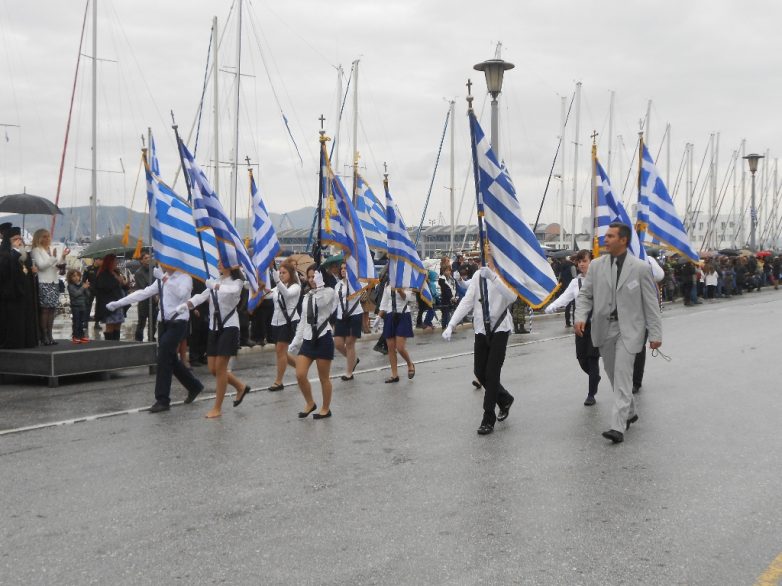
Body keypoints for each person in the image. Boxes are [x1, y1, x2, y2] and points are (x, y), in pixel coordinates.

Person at [574, 223, 663, 444]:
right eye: (606, 235)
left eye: (611, 236)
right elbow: (586, 295)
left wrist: (655, 333)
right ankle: (630, 411)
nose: (606, 239)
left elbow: (651, 304)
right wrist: (580, 316)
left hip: (630, 330)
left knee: (623, 373)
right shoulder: (595, 266)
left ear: (623, 240)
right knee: (614, 374)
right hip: (605, 328)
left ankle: (617, 426)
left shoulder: (641, 268)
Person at [106, 266, 204, 413]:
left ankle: (162, 399)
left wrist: (164, 279)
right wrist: (119, 303)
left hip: (178, 322)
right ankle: (194, 386)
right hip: (163, 323)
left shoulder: (185, 277)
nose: (161, 264)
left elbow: (182, 294)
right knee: (170, 357)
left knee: (163, 356)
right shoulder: (161, 277)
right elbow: (143, 293)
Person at [443, 261, 517, 436]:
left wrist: (493, 277)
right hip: (481, 329)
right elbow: (467, 301)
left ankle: (488, 417)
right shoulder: (477, 276)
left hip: (499, 329)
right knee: (479, 371)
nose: (489, 258)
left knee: (492, 374)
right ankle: (504, 398)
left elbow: (512, 296)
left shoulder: (505, 274)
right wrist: (451, 324)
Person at [177, 262, 252, 418]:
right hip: (214, 327)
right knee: (213, 368)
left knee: (221, 369)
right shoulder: (216, 280)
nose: (218, 265)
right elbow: (202, 296)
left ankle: (217, 408)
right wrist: (186, 305)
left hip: (230, 327)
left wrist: (215, 286)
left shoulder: (236, 282)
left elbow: (232, 290)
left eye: (222, 262)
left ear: (230, 266)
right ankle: (240, 387)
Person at [546, 250, 600, 405]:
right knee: (581, 358)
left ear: (592, 262)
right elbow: (566, 296)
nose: (581, 264)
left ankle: (591, 394)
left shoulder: (599, 279)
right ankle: (594, 377)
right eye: (579, 261)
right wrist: (553, 305)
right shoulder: (576, 282)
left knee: (592, 358)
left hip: (596, 325)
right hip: (580, 325)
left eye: (584, 261)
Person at [288, 266, 337, 419]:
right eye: (309, 277)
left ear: (321, 277)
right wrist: (295, 342)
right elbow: (303, 321)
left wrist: (321, 286)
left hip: (323, 338)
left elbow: (322, 304)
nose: (311, 280)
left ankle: (325, 408)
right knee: (300, 374)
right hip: (309, 340)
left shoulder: (329, 292)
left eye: (314, 276)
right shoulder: (307, 296)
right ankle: (310, 402)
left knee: (324, 378)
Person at [0, 225, 38, 349]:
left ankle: (28, 341)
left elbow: (27, 269)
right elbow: (6, 275)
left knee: (26, 317)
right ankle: (15, 342)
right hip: (14, 292)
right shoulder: (6, 255)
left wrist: (32, 271)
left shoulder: (24, 255)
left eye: (20, 238)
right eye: (15, 239)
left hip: (26, 291)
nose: (19, 241)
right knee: (15, 319)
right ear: (9, 241)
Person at [30, 229, 69, 345]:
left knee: (52, 310)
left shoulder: (51, 250)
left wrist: (62, 257)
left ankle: (50, 335)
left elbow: (55, 267)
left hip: (54, 282)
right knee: (45, 310)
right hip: (44, 282)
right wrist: (53, 258)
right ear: (39, 238)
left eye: (48, 237)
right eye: (44, 237)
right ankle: (44, 335)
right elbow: (41, 266)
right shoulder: (36, 250)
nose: (47, 239)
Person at [268, 259, 301, 391]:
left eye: (284, 273)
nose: (281, 275)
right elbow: (267, 295)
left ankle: (278, 381)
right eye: (280, 272)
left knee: (280, 352)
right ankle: (300, 366)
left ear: (291, 274)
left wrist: (277, 281)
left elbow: (286, 295)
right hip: (276, 322)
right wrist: (256, 288)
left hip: (288, 322)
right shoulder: (278, 287)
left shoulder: (296, 287)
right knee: (283, 354)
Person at [378, 283, 416, 384]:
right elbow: (384, 303)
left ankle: (410, 364)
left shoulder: (405, 281)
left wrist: (400, 290)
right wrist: (378, 317)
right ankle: (394, 375)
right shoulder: (387, 284)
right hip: (390, 316)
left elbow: (409, 298)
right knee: (390, 347)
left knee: (400, 347)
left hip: (403, 314)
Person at [334, 262, 364, 380]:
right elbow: (335, 302)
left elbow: (364, 290)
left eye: (345, 268)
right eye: (341, 268)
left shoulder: (357, 283)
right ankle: (353, 360)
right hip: (341, 316)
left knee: (350, 343)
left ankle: (349, 372)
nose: (342, 270)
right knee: (338, 344)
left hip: (354, 315)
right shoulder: (338, 285)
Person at [93, 254, 128, 340]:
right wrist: (117, 281)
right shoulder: (103, 274)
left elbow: (122, 287)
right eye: (114, 261)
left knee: (118, 324)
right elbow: (104, 287)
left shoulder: (116, 272)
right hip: (109, 304)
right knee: (110, 325)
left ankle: (117, 343)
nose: (116, 263)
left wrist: (123, 282)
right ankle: (110, 344)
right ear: (109, 262)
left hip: (118, 303)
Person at [133, 253, 157, 342]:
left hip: (154, 302)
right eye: (145, 258)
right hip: (144, 301)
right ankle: (138, 339)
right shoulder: (139, 272)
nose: (148, 259)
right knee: (141, 322)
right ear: (141, 260)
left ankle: (151, 338)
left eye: (149, 258)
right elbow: (144, 287)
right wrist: (154, 294)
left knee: (153, 322)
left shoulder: (154, 270)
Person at [66, 269, 90, 344]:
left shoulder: (82, 285)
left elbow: (88, 295)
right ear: (70, 278)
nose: (76, 277)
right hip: (75, 307)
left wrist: (86, 288)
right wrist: (83, 288)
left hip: (83, 306)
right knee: (76, 322)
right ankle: (75, 336)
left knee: (81, 322)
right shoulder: (70, 286)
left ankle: (81, 336)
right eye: (74, 276)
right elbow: (76, 294)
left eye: (78, 276)